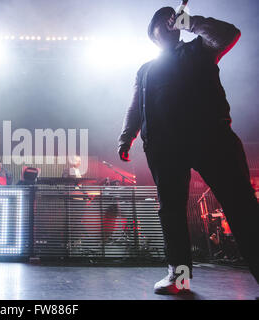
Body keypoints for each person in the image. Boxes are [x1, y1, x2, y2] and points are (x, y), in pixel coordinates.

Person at [118, 7, 259, 294]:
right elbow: (135, 107)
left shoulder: (200, 48)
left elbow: (230, 34)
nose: (170, 21)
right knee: (171, 213)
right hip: (165, 146)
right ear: (153, 32)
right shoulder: (146, 70)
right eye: (163, 19)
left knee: (241, 206)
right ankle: (179, 278)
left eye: (173, 18)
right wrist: (126, 137)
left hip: (212, 138)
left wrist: (191, 22)